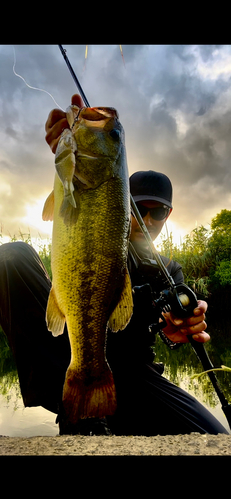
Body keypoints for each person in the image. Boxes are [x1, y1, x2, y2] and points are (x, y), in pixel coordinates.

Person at [0, 94, 228, 436]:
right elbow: (79, 194)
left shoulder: (171, 270)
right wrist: (71, 151)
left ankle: (94, 401)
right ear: (122, 203)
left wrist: (182, 327)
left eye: (158, 211)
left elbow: (173, 328)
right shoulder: (99, 219)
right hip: (68, 353)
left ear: (169, 214)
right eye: (139, 209)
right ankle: (73, 401)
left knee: (215, 438)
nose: (148, 219)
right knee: (11, 258)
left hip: (137, 374)